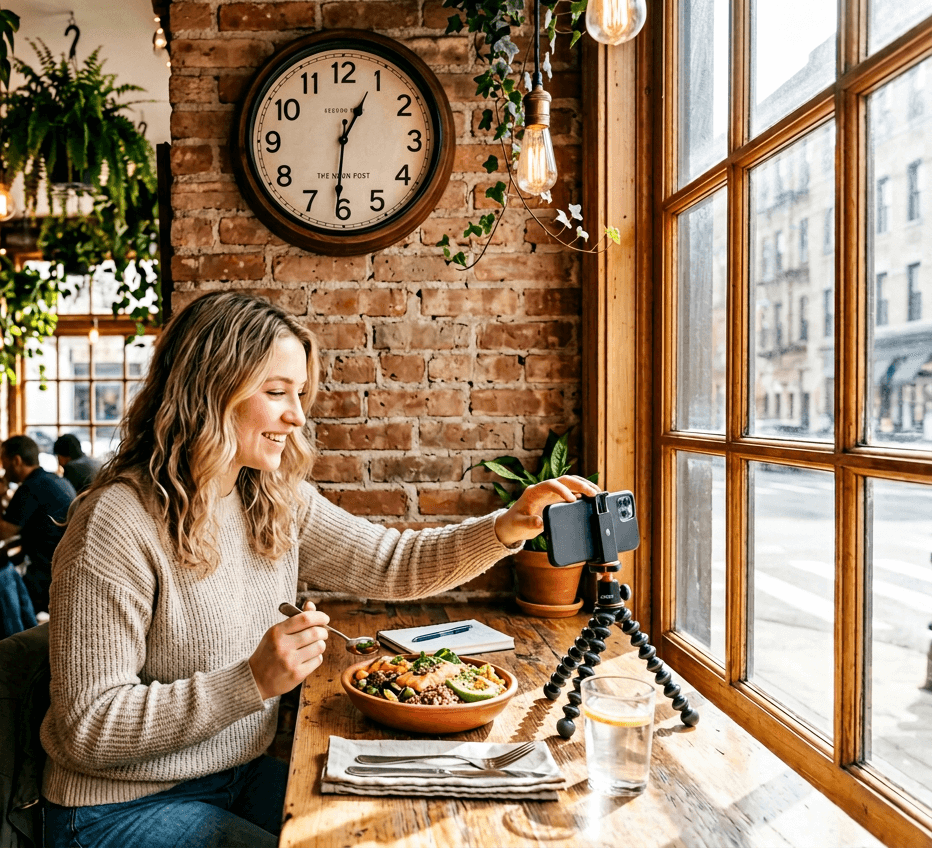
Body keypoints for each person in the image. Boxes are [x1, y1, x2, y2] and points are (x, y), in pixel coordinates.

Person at [40, 292, 600, 848]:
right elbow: (86, 724)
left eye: (300, 393)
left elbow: (392, 562)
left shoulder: (269, 495)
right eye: (276, 392)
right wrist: (251, 681)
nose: (297, 415)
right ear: (210, 392)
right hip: (114, 810)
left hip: (233, 780)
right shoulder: (116, 522)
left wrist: (508, 525)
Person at [0, 435, 74, 614]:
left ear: (16, 461)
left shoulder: (30, 488)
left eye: (4, 461)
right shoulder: (55, 480)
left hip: (44, 576)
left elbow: (1, 532)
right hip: (66, 569)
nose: (2, 467)